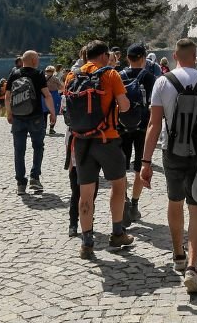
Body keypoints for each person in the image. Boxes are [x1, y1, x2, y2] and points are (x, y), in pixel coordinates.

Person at [140, 38, 197, 293]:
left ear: (175, 55)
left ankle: (178, 254)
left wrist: (145, 162)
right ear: (195, 55)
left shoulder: (162, 82)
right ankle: (193, 267)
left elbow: (154, 124)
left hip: (171, 151)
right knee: (196, 207)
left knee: (175, 201)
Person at [64, 39, 135, 258]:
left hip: (81, 141)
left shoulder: (71, 76)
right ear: (104, 55)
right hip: (107, 139)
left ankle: (87, 242)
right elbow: (124, 106)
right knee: (118, 185)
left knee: (85, 193)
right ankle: (117, 233)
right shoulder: (110, 74)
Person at [118, 44, 160, 222]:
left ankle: (124, 200)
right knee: (139, 168)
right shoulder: (150, 77)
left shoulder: (119, 76)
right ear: (143, 58)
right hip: (143, 128)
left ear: (127, 58)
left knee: (121, 168)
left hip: (122, 127)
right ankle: (134, 205)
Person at [5, 50, 56, 195]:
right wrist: (52, 112)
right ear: (33, 60)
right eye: (37, 58)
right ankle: (35, 178)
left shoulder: (14, 74)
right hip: (36, 117)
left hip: (18, 118)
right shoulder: (38, 74)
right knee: (38, 147)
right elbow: (47, 95)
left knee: (19, 150)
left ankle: (21, 184)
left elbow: (7, 96)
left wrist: (9, 113)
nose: (38, 60)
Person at [45, 66, 63, 134]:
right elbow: (61, 87)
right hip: (54, 96)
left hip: (44, 96)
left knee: (44, 113)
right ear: (53, 71)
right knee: (54, 113)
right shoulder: (55, 78)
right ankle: (51, 128)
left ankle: (43, 128)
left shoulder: (42, 78)